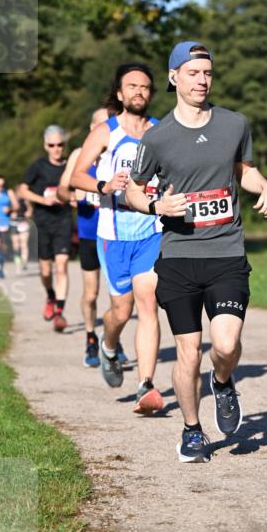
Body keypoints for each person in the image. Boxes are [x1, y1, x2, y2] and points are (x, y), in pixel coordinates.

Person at [126, 41, 267, 462]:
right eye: (193, 73)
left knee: (226, 345)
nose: (202, 80)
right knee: (188, 351)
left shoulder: (234, 125)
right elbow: (133, 190)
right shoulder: (156, 138)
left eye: (207, 73)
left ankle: (224, 381)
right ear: (175, 77)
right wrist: (157, 205)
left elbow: (244, 172)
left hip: (226, 251)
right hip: (178, 257)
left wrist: (265, 186)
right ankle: (192, 432)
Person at [71, 65, 164, 413]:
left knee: (148, 301)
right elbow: (77, 176)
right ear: (120, 94)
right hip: (113, 235)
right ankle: (109, 346)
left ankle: (146, 385)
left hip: (151, 231)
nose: (139, 92)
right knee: (120, 313)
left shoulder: (161, 131)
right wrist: (103, 186)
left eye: (145, 87)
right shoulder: (105, 132)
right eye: (132, 86)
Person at [57, 107, 109, 368]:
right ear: (92, 129)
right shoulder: (79, 155)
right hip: (89, 231)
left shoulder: (118, 152)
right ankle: (90, 337)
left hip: (115, 234)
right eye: (101, 124)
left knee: (119, 296)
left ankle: (112, 339)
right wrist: (73, 199)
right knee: (91, 293)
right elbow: (61, 191)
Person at [19, 126, 72, 332]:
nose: (56, 149)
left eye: (60, 145)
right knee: (45, 270)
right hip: (42, 221)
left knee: (62, 265)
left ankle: (59, 312)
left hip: (63, 220)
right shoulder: (38, 166)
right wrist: (43, 199)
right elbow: (22, 190)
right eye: (52, 145)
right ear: (45, 146)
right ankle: (50, 295)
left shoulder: (69, 167)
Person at [10, 196, 32, 274]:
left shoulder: (25, 200)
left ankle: (24, 261)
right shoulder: (11, 200)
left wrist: (28, 211)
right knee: (16, 244)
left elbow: (30, 211)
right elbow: (6, 211)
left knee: (24, 244)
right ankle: (16, 256)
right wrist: (11, 214)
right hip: (14, 223)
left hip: (23, 223)